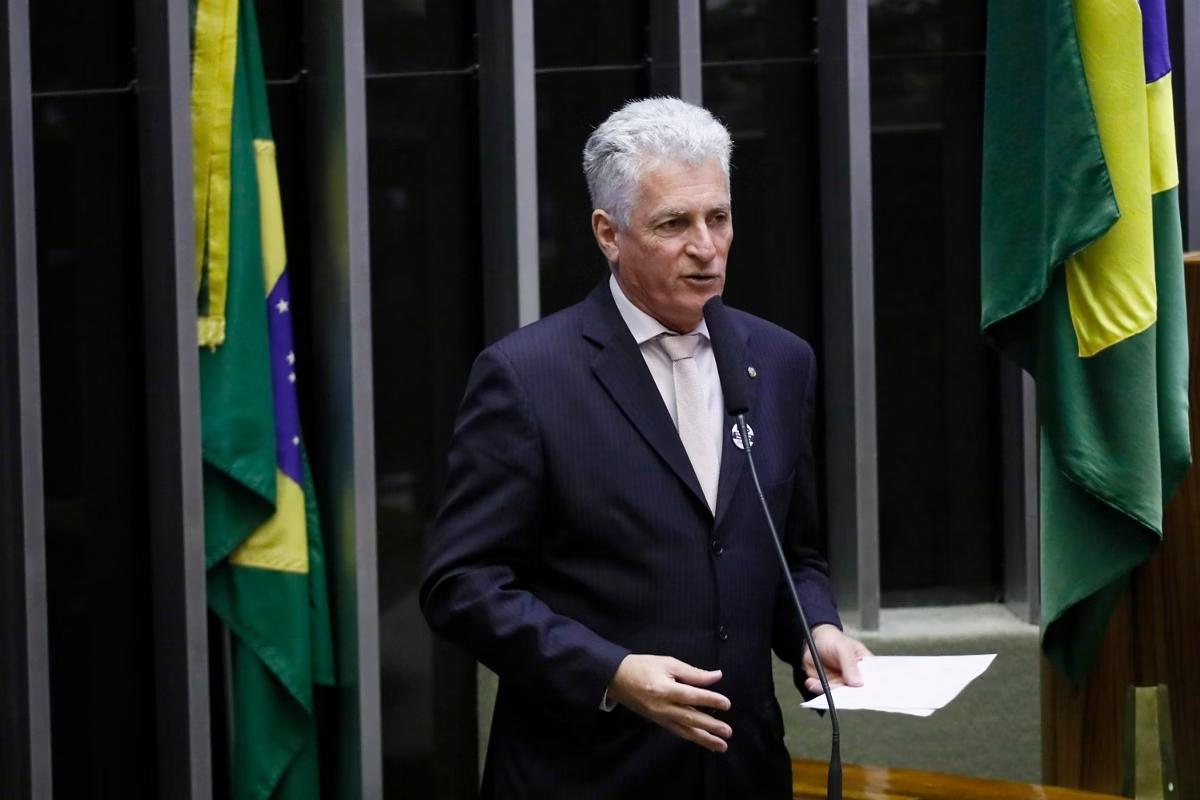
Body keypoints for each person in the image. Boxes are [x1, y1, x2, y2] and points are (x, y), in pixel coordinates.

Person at [420, 97, 870, 799]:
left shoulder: (781, 362)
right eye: (673, 224)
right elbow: (462, 585)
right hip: (587, 772)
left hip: (740, 773)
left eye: (717, 217)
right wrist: (611, 673)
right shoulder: (529, 377)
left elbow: (793, 550)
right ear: (608, 232)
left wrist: (818, 629)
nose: (706, 246)